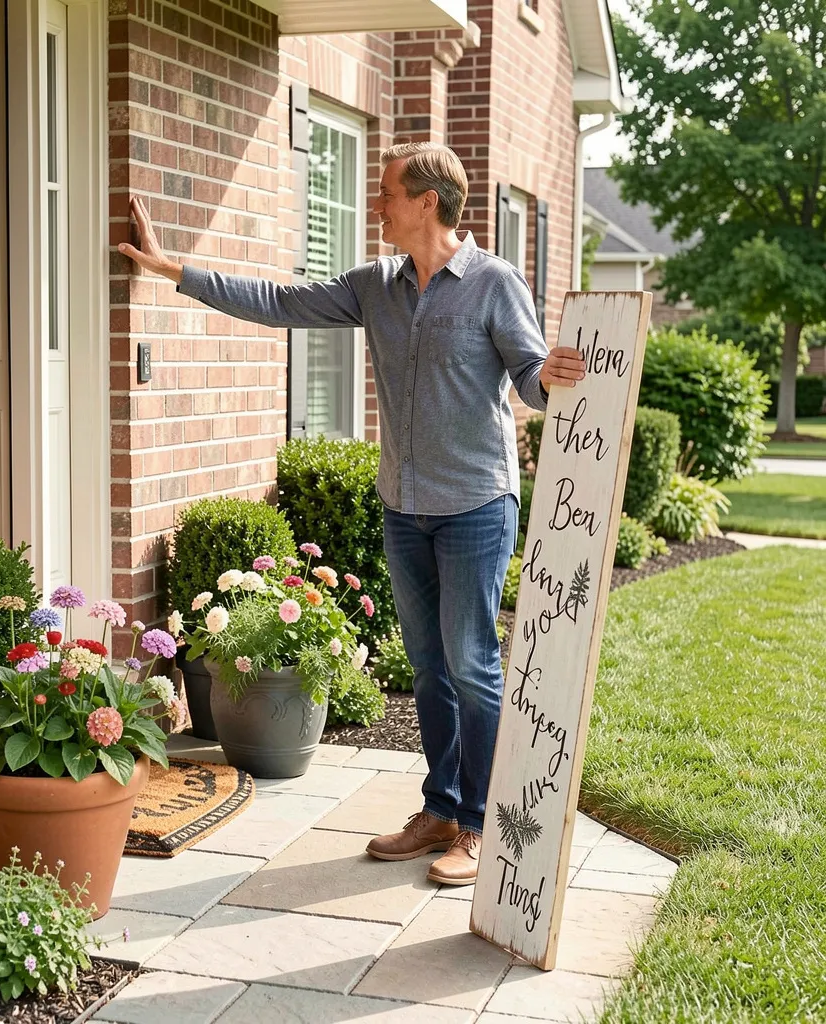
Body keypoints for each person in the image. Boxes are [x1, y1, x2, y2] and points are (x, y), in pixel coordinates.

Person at [119, 142, 586, 885]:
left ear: (426, 202)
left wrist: (555, 377)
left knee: (472, 666)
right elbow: (282, 303)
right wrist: (174, 269)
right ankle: (440, 808)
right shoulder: (376, 285)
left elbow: (529, 382)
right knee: (430, 667)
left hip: (475, 506)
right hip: (404, 506)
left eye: (387, 194)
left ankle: (480, 826)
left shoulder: (494, 283)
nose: (377, 205)